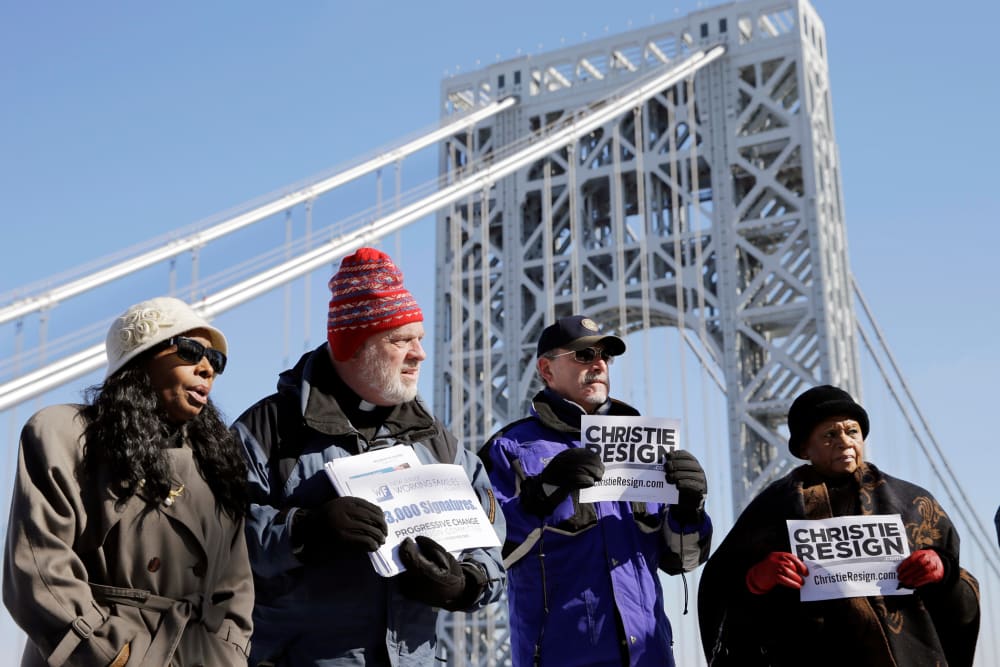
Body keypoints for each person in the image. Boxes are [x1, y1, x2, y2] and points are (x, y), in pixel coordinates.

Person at [231, 247, 505, 666]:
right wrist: (308, 529)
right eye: (401, 341)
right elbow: (218, 543)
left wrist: (462, 583)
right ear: (353, 346)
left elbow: (489, 545)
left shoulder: (441, 444)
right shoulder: (267, 431)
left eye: (420, 339)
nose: (420, 355)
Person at [3, 296, 254, 666]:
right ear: (139, 360)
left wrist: (227, 655)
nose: (207, 368)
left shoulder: (217, 468)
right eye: (190, 350)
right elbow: (39, 569)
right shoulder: (64, 435)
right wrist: (115, 655)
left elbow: (235, 589)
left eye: (215, 360)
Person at [478, 315, 713, 667]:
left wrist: (689, 509)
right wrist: (541, 494)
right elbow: (488, 554)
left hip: (649, 656)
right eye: (583, 355)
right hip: (562, 659)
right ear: (546, 369)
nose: (598, 363)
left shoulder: (646, 447)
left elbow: (682, 560)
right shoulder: (508, 448)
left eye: (604, 355)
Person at [697, 384, 981, 667]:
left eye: (852, 431)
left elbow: (964, 598)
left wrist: (942, 572)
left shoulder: (914, 503)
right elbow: (720, 589)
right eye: (830, 435)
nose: (845, 442)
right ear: (804, 448)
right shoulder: (771, 508)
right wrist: (756, 579)